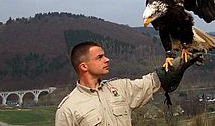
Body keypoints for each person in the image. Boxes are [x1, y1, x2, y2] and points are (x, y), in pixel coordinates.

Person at [55, 41, 202, 126]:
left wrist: (181, 62)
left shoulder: (120, 88)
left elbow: (153, 82)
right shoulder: (68, 109)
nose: (107, 59)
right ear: (83, 66)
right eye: (100, 57)